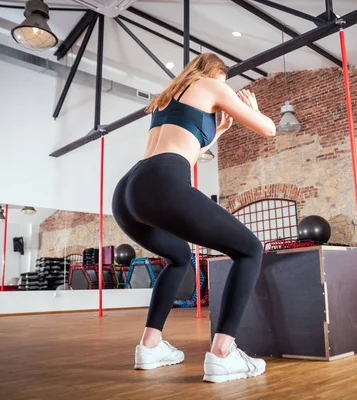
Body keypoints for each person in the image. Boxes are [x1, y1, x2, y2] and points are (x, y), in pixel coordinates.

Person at [111, 53, 276, 383]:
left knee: (178, 256)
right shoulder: (212, 84)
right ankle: (223, 353)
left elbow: (187, 148)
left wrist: (219, 132)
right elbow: (269, 130)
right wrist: (254, 112)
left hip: (129, 191)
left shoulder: (166, 100)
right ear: (216, 73)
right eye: (223, 78)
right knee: (250, 250)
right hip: (162, 181)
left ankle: (150, 345)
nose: (223, 85)